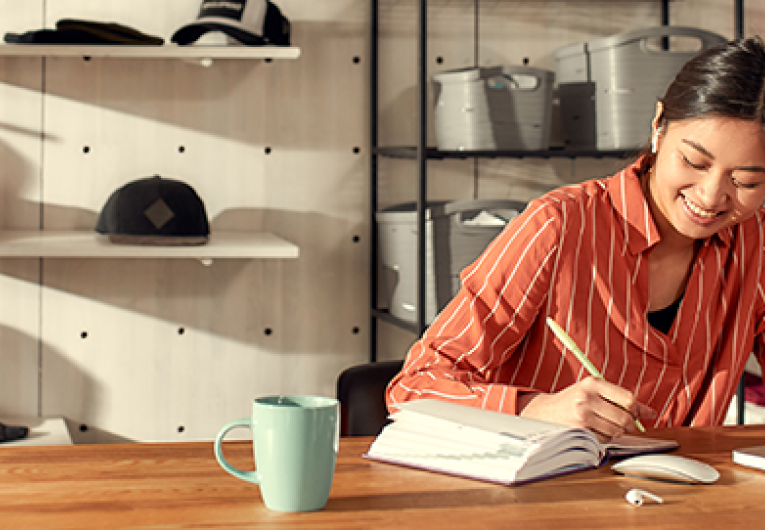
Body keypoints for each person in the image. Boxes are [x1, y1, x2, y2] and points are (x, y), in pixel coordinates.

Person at [386, 36, 765, 442]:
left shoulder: (754, 239)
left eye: (746, 181)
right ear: (658, 125)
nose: (710, 197)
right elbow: (414, 388)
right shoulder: (558, 225)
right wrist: (535, 409)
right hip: (538, 490)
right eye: (694, 162)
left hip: (676, 496)